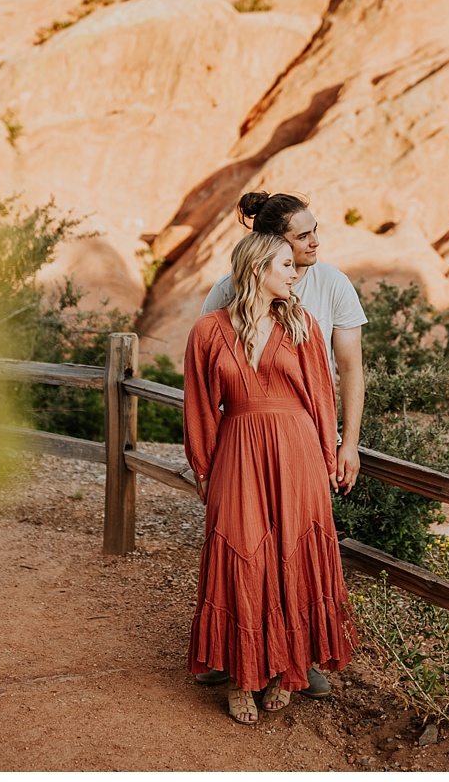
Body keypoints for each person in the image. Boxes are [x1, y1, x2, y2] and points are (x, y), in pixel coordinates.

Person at [194, 190, 367, 698]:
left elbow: (343, 374)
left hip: (298, 444)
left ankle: (297, 656)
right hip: (243, 446)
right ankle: (234, 656)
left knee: (296, 545)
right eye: (301, 238)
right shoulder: (221, 300)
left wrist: (343, 444)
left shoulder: (327, 291)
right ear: (267, 248)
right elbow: (205, 386)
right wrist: (203, 465)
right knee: (244, 547)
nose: (314, 245)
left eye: (315, 233)